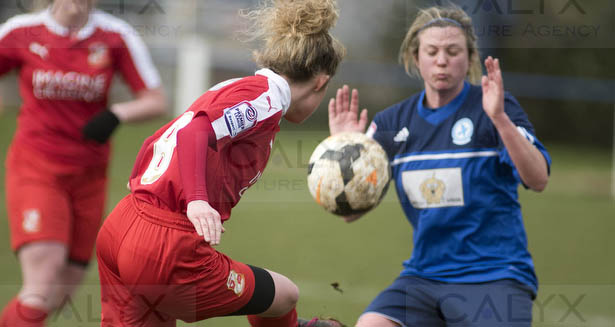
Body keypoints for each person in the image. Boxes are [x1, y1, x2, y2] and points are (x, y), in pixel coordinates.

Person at [95, 0, 345, 326]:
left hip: (121, 227)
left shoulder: (246, 89)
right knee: (284, 296)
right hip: (163, 247)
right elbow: (194, 132)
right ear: (320, 82)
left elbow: (165, 137)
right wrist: (197, 201)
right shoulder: (266, 98)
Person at [329, 5, 551, 327]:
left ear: (471, 58)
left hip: (495, 274)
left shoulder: (494, 107)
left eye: (453, 51)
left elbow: (539, 178)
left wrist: (500, 120)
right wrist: (346, 153)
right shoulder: (391, 123)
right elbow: (351, 212)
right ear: (416, 57)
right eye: (431, 51)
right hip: (423, 277)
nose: (442, 60)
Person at [0, 0, 167, 325]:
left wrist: (116, 114)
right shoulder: (21, 31)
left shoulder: (116, 35)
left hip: (90, 174)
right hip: (36, 167)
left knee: (60, 290)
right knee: (42, 278)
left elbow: (155, 100)